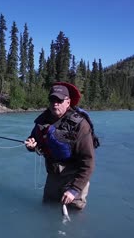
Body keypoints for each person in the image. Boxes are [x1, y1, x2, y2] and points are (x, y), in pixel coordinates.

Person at [25, 82, 96, 210]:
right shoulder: (43, 121)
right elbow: (33, 138)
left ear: (68, 102)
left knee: (73, 214)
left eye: (59, 100)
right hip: (53, 175)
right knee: (47, 208)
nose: (55, 103)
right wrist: (30, 145)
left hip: (74, 176)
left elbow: (88, 162)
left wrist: (74, 189)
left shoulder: (81, 125)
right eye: (52, 99)